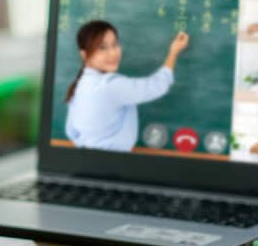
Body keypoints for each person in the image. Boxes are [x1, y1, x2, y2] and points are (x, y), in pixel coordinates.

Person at [64, 20, 189, 152]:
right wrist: (173, 52)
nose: (113, 53)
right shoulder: (109, 85)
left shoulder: (80, 84)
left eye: (115, 44)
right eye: (102, 47)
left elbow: (71, 132)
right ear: (84, 54)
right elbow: (158, 85)